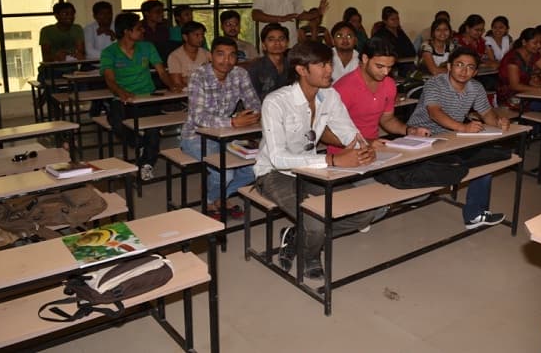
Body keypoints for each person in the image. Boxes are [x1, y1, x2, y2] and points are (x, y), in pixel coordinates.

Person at [254, 41, 378, 279]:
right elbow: (278, 158)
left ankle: (297, 234)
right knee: (317, 221)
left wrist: (365, 148)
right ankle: (310, 255)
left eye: (329, 63)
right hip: (274, 173)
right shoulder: (276, 102)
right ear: (301, 70)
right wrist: (331, 161)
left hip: (312, 167)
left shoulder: (330, 96)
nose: (329, 70)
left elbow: (349, 133)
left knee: (365, 212)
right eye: (321, 65)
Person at [406, 46, 510, 229]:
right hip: (422, 137)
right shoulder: (435, 83)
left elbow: (486, 114)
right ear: (449, 67)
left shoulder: (476, 88)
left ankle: (475, 215)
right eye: (459, 65)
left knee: (485, 161)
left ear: (476, 72)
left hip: (453, 137)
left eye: (470, 67)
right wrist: (463, 127)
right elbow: (434, 113)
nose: (464, 71)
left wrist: (498, 122)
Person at [180, 36, 260, 218]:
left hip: (227, 134)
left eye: (232, 55)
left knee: (255, 168)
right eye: (221, 54)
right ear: (210, 56)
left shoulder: (240, 74)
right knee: (226, 173)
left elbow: (254, 103)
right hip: (195, 136)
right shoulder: (198, 76)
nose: (227, 60)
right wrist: (232, 122)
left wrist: (251, 115)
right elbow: (198, 117)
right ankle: (212, 201)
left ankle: (214, 197)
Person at [101, 12, 183, 181]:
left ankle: (146, 164)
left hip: (147, 97)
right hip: (122, 98)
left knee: (153, 129)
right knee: (116, 123)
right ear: (126, 31)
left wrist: (171, 86)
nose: (143, 31)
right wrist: (121, 92)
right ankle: (139, 144)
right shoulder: (109, 52)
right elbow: (109, 78)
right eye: (139, 28)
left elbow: (161, 71)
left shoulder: (147, 47)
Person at [333, 37, 431, 151]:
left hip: (374, 149)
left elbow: (387, 119)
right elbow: (328, 131)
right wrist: (366, 142)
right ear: (365, 58)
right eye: (379, 66)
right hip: (345, 153)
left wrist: (410, 131)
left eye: (389, 67)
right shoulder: (344, 88)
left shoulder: (389, 84)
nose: (385, 72)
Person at [247, 23, 290, 100]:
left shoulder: (293, 66)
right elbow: (252, 100)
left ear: (287, 43)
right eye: (271, 39)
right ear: (263, 45)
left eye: (281, 39)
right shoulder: (255, 69)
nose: (277, 43)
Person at [372, 6, 416, 76]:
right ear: (385, 21)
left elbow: (411, 48)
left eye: (397, 18)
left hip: (408, 63)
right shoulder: (380, 35)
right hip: (392, 67)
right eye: (392, 19)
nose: (396, 21)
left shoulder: (400, 32)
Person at [167, 21, 211, 87]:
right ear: (185, 37)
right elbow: (177, 83)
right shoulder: (174, 56)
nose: (201, 38)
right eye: (197, 35)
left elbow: (215, 77)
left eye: (202, 35)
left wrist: (186, 79)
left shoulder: (207, 54)